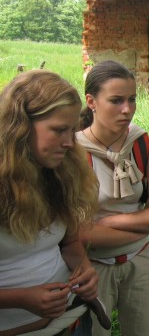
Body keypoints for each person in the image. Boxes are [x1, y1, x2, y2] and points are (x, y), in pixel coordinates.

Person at [77, 60, 149, 336]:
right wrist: (147, 222)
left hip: (140, 261)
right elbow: (81, 235)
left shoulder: (143, 143)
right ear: (91, 101)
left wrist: (112, 221)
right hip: (93, 266)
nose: (127, 109)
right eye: (116, 100)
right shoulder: (74, 154)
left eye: (132, 99)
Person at [0, 70, 100, 335]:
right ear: (19, 126)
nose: (69, 143)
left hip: (71, 320)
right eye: (58, 131)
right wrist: (20, 298)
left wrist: (85, 269)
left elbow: (69, 243)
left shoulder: (58, 173)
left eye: (72, 130)